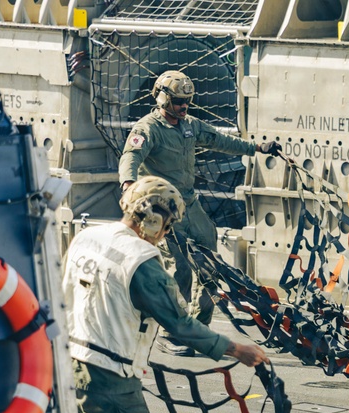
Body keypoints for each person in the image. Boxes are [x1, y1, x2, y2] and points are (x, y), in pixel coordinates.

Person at [63, 176, 270, 413]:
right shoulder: (141, 261)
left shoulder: (86, 237)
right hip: (113, 380)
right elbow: (180, 325)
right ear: (153, 218)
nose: (166, 233)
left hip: (71, 368)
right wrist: (236, 350)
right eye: (167, 225)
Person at [119, 70, 282, 355]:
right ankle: (171, 333)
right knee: (180, 269)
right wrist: (129, 186)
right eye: (179, 101)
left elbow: (222, 141)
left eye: (187, 102)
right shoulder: (148, 129)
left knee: (211, 264)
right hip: (161, 213)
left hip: (189, 207)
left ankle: (197, 327)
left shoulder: (190, 126)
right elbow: (131, 156)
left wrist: (258, 147)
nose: (184, 107)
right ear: (163, 98)